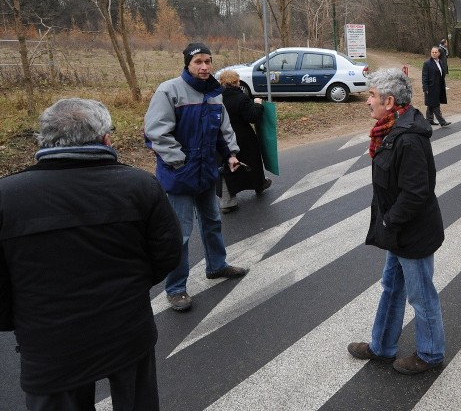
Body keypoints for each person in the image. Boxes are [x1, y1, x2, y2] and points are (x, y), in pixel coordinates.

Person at [0, 98, 181, 410]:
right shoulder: (140, 185)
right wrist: (133, 288)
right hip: (127, 327)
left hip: (48, 341)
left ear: (43, 140)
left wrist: (19, 320)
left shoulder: (6, 197)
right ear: (106, 139)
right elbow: (166, 254)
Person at [347, 68, 446, 375]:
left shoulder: (408, 138)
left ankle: (430, 354)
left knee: (421, 295)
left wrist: (389, 222)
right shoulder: (390, 132)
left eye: (372, 96)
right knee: (391, 286)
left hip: (411, 233)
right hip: (399, 231)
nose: (367, 101)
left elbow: (417, 193)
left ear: (389, 102)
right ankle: (382, 346)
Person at [144, 42, 249, 312]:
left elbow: (222, 131)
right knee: (180, 233)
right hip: (179, 174)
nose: (204, 67)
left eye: (208, 61)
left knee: (213, 221)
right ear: (187, 64)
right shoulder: (170, 91)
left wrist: (231, 154)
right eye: (198, 62)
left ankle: (216, 266)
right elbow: (156, 133)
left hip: (206, 172)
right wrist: (179, 162)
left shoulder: (215, 94)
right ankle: (176, 287)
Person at [218, 70, 272, 213]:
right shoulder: (241, 98)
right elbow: (251, 117)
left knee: (227, 167)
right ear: (236, 82)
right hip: (243, 137)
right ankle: (259, 184)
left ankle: (227, 202)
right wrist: (258, 104)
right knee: (252, 160)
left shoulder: (216, 97)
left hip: (222, 138)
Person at [422, 46, 451, 127]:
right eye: (432, 52)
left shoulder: (440, 62)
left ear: (439, 53)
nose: (434, 54)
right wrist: (425, 88)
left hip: (439, 87)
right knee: (435, 105)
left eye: (435, 52)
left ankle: (429, 120)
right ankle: (442, 122)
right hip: (431, 87)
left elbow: (441, 75)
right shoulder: (427, 63)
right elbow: (424, 77)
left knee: (431, 104)